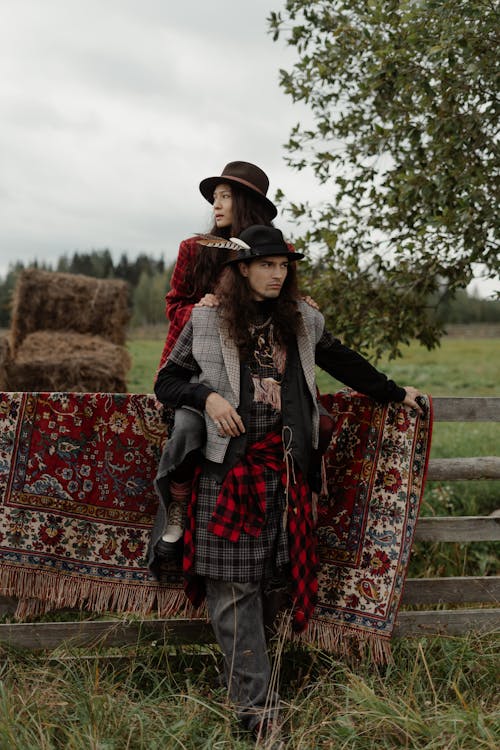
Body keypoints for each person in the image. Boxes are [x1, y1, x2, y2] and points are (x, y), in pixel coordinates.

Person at [151, 225, 425, 746]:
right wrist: (206, 399)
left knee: (268, 582)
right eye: (266, 265)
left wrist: (393, 392)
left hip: (285, 472)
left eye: (283, 266)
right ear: (242, 270)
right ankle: (257, 713)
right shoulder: (206, 319)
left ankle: (258, 687)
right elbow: (167, 381)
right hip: (225, 470)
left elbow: (342, 360)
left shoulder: (301, 321)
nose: (277, 274)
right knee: (232, 588)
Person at [155, 161, 315, 559]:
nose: (216, 206)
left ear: (245, 202)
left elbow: (281, 296)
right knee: (191, 426)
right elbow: (174, 303)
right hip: (198, 366)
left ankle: (297, 512)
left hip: (257, 365)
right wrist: (201, 310)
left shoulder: (273, 248)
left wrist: (301, 305)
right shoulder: (195, 249)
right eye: (214, 199)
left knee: (306, 421)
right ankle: (177, 503)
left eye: (225, 197)